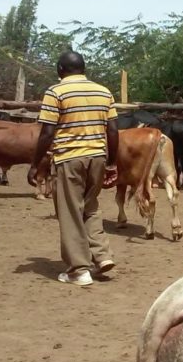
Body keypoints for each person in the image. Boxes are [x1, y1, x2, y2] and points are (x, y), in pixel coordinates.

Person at [28, 51, 119, 287]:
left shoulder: (56, 92)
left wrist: (35, 163)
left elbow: (47, 132)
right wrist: (111, 162)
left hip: (70, 158)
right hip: (98, 157)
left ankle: (79, 270)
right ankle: (102, 256)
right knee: (90, 207)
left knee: (69, 212)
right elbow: (112, 130)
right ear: (83, 68)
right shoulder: (103, 91)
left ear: (60, 69)